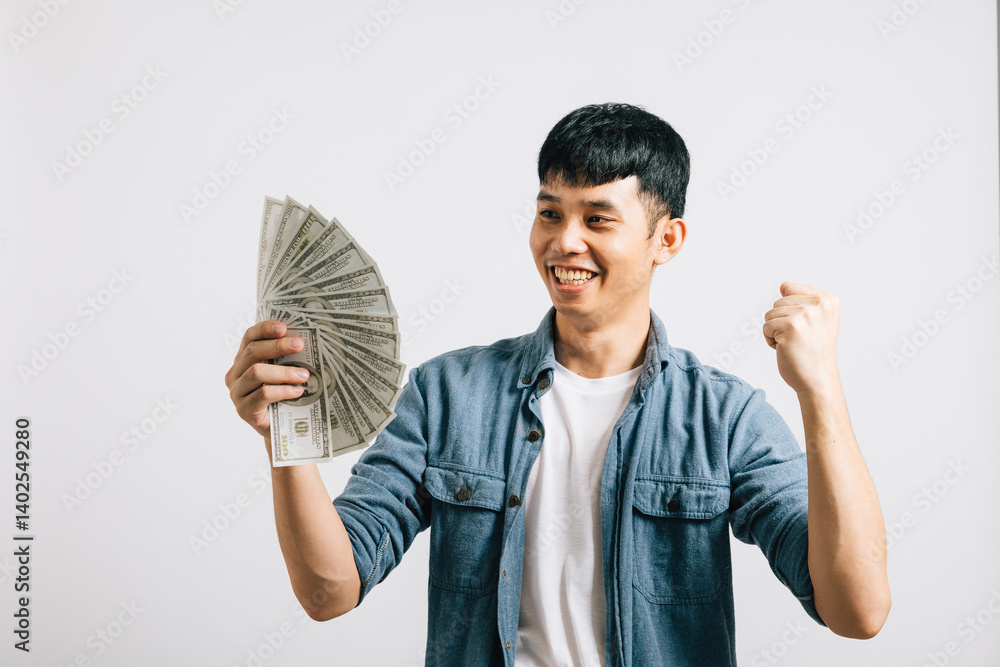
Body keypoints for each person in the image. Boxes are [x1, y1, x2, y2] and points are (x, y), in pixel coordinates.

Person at [224, 102, 891, 666]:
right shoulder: (447, 394)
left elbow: (856, 608)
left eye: (597, 218)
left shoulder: (725, 416)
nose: (564, 241)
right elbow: (329, 590)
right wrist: (286, 434)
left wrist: (820, 388)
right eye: (550, 213)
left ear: (668, 238)